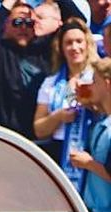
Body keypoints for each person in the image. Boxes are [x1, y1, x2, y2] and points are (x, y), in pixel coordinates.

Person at [0, 0, 63, 140]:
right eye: (17, 22)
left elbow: (75, 24)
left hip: (40, 139)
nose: (23, 27)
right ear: (5, 24)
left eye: (29, 23)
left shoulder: (45, 51)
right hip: (6, 138)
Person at [34, 19, 97, 189]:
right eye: (68, 43)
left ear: (87, 44)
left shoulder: (96, 79)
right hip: (58, 152)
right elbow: (39, 130)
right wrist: (59, 116)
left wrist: (87, 99)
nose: (75, 47)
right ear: (61, 48)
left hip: (89, 151)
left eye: (79, 41)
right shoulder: (51, 83)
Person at [72, 57, 111, 212]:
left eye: (94, 81)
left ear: (107, 84)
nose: (90, 86)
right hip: (98, 211)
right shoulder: (103, 120)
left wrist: (89, 163)